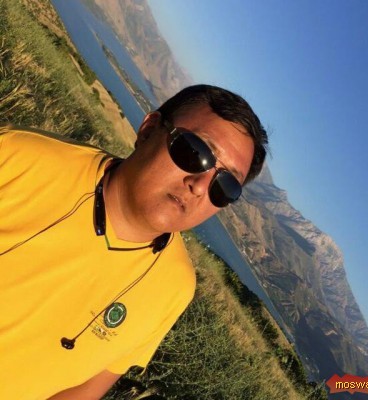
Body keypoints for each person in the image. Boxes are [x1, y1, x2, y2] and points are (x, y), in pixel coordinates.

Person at [0, 84, 268, 399]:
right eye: (194, 151)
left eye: (225, 186)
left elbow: (86, 387)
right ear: (149, 129)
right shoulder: (18, 157)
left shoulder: (175, 287)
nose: (199, 186)